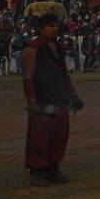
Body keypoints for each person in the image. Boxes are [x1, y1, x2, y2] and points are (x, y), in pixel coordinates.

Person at [23, 11, 84, 187]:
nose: (54, 29)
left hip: (59, 96)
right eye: (50, 26)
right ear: (40, 29)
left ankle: (52, 166)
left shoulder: (58, 47)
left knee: (59, 135)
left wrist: (73, 95)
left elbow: (64, 74)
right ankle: (37, 170)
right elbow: (27, 77)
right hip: (42, 97)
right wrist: (31, 101)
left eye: (56, 26)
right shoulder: (32, 48)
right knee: (39, 136)